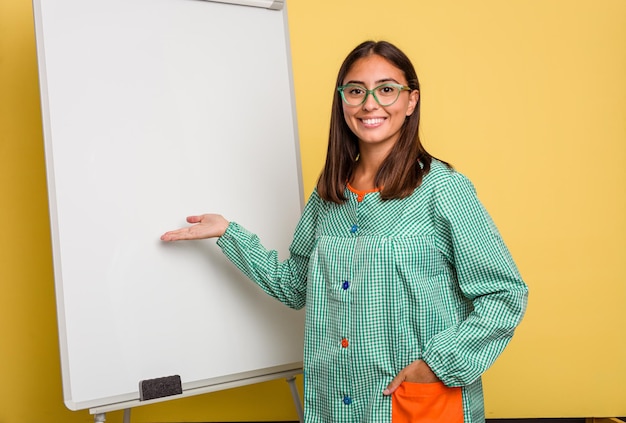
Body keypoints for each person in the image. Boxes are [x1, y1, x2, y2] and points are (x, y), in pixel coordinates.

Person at [161, 40, 528, 423]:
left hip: (415, 404)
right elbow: (294, 286)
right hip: (337, 402)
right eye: (356, 91)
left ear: (411, 101)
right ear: (342, 101)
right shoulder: (328, 193)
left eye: (386, 89)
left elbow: (505, 294)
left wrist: (437, 365)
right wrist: (228, 232)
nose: (370, 104)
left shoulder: (443, 188)